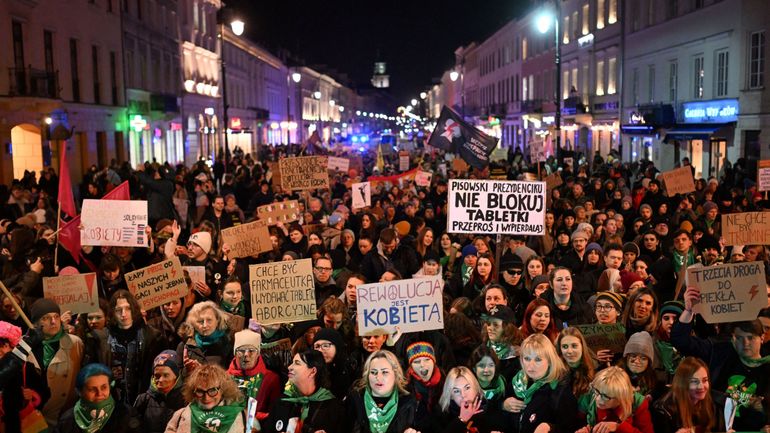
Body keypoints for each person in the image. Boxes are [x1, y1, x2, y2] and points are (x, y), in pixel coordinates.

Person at [672, 285, 770, 432]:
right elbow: (680, 340)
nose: (745, 343)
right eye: (739, 338)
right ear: (732, 338)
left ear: (762, 338)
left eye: (751, 338)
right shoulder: (719, 351)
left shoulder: (767, 367)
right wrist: (689, 310)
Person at [501, 333, 580, 433]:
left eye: (538, 359)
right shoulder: (517, 381)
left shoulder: (560, 390)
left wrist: (551, 428)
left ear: (550, 361)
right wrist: (503, 405)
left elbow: (571, 428)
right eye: (527, 358)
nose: (530, 365)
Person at [26, 298, 84, 427]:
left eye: (56, 317)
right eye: (46, 318)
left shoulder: (75, 343)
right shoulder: (24, 346)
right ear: (35, 323)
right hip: (36, 417)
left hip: (66, 415)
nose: (53, 322)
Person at [262, 350, 344, 433]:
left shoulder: (333, 408)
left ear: (312, 371)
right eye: (292, 362)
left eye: (297, 363)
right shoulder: (281, 402)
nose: (289, 367)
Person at [107, 290, 163, 404]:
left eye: (128, 308)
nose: (123, 314)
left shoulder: (152, 336)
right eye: (118, 310)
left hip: (144, 400)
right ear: (113, 312)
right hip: (114, 401)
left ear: (134, 309)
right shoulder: (105, 338)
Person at [54, 363, 142, 433]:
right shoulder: (67, 421)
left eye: (104, 387)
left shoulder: (126, 414)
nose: (99, 393)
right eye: (92, 389)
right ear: (80, 392)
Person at [346, 350, 419, 433]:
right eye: (373, 372)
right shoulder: (355, 400)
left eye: (385, 372)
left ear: (395, 374)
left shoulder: (409, 403)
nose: (378, 377)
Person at [651, 356, 727, 433]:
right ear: (683, 384)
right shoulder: (664, 411)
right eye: (694, 382)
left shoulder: (713, 405)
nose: (701, 386)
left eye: (705, 380)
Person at [165, 363, 246, 433]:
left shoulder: (241, 416)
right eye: (200, 391)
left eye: (212, 391)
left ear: (223, 389)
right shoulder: (179, 415)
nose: (206, 397)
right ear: (193, 391)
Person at [575, 367, 654, 433]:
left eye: (606, 396)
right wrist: (585, 430)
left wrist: (619, 426)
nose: (598, 399)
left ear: (621, 397)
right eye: (596, 391)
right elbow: (578, 422)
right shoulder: (589, 396)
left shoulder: (637, 403)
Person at [227, 327, 281, 422]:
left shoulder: (271, 379)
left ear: (258, 354)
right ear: (235, 353)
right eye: (241, 350)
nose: (246, 354)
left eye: (251, 350)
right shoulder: (224, 378)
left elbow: (274, 414)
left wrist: (254, 417)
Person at [430, 366, 507, 433]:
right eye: (456, 391)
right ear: (451, 396)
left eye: (467, 388)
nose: (463, 395)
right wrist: (461, 420)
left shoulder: (490, 410)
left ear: (475, 388)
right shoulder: (440, 415)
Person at [133, 350, 187, 433]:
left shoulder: (186, 400)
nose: (160, 380)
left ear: (176, 376)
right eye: (157, 376)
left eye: (166, 375)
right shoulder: (144, 399)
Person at [178, 301, 234, 370]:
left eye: (209, 320)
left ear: (217, 321)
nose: (205, 325)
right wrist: (188, 370)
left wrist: (201, 370)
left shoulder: (228, 343)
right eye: (200, 321)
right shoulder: (184, 345)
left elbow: (231, 375)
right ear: (193, 324)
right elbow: (178, 376)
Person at [404, 341, 444, 431]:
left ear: (434, 361)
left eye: (427, 359)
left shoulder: (446, 381)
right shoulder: (405, 386)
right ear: (411, 366)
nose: (422, 364)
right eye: (417, 362)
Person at [313, 327, 357, 399]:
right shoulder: (311, 372)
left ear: (337, 347)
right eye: (317, 346)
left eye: (325, 345)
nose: (320, 350)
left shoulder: (350, 369)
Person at [481, 304, 522, 379]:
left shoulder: (516, 358)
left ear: (507, 328)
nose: (490, 328)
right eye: (488, 324)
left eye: (495, 325)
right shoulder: (481, 350)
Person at [556, 327, 596, 400]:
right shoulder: (555, 372)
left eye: (574, 346)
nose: (569, 351)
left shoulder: (596, 369)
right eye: (565, 347)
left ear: (582, 346)